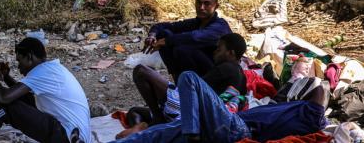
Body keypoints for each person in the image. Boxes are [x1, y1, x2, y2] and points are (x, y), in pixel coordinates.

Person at [111, 70, 328, 143]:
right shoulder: (284, 107)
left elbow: (320, 88)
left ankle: (192, 134)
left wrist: (314, 82)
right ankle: (190, 131)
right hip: (226, 125)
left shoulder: (311, 115)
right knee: (158, 133)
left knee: (189, 77)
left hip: (237, 129)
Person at [0, 37, 91, 143]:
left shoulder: (44, 72)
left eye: (19, 61)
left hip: (68, 137)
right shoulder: (51, 69)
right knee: (24, 100)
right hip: (71, 133)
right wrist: (6, 77)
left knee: (6, 107)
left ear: (29, 57)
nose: (19, 67)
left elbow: (5, 98)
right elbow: (23, 95)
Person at [122, 33, 248, 137]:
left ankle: (156, 120)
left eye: (219, 49)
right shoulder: (241, 75)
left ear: (231, 53)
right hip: (204, 116)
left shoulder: (226, 68)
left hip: (190, 112)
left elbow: (190, 91)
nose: (215, 52)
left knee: (141, 71)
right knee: (134, 111)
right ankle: (144, 127)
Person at [143, 0, 231, 81]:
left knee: (182, 48)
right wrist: (152, 36)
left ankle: (193, 85)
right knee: (164, 33)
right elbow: (163, 26)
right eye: (198, 2)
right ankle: (178, 80)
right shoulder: (196, 22)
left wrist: (166, 41)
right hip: (199, 67)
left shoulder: (220, 26)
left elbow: (196, 37)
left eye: (207, 4)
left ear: (216, 6)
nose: (201, 7)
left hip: (218, 74)